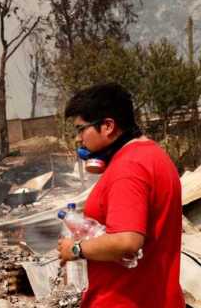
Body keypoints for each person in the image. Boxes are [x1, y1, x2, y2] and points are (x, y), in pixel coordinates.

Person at [56, 82, 184, 307]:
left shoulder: (128, 168)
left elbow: (127, 242)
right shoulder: (153, 155)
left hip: (124, 300)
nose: (78, 139)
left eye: (81, 129)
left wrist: (75, 249)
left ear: (108, 126)